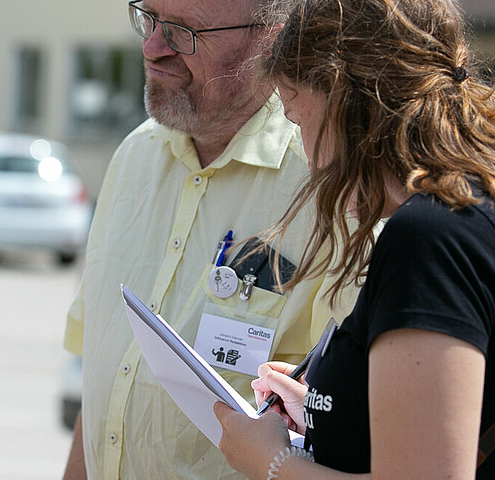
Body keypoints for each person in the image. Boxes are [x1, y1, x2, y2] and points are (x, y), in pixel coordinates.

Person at [213, 0, 495, 478]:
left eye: (297, 118)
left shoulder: (432, 238)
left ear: (341, 94)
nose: (306, 156)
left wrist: (269, 460)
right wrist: (330, 407)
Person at [61, 0, 357, 478]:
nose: (153, 47)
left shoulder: (329, 182)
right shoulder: (134, 158)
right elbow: (106, 389)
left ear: (271, 37)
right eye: (149, 18)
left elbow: (359, 425)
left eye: (183, 31)